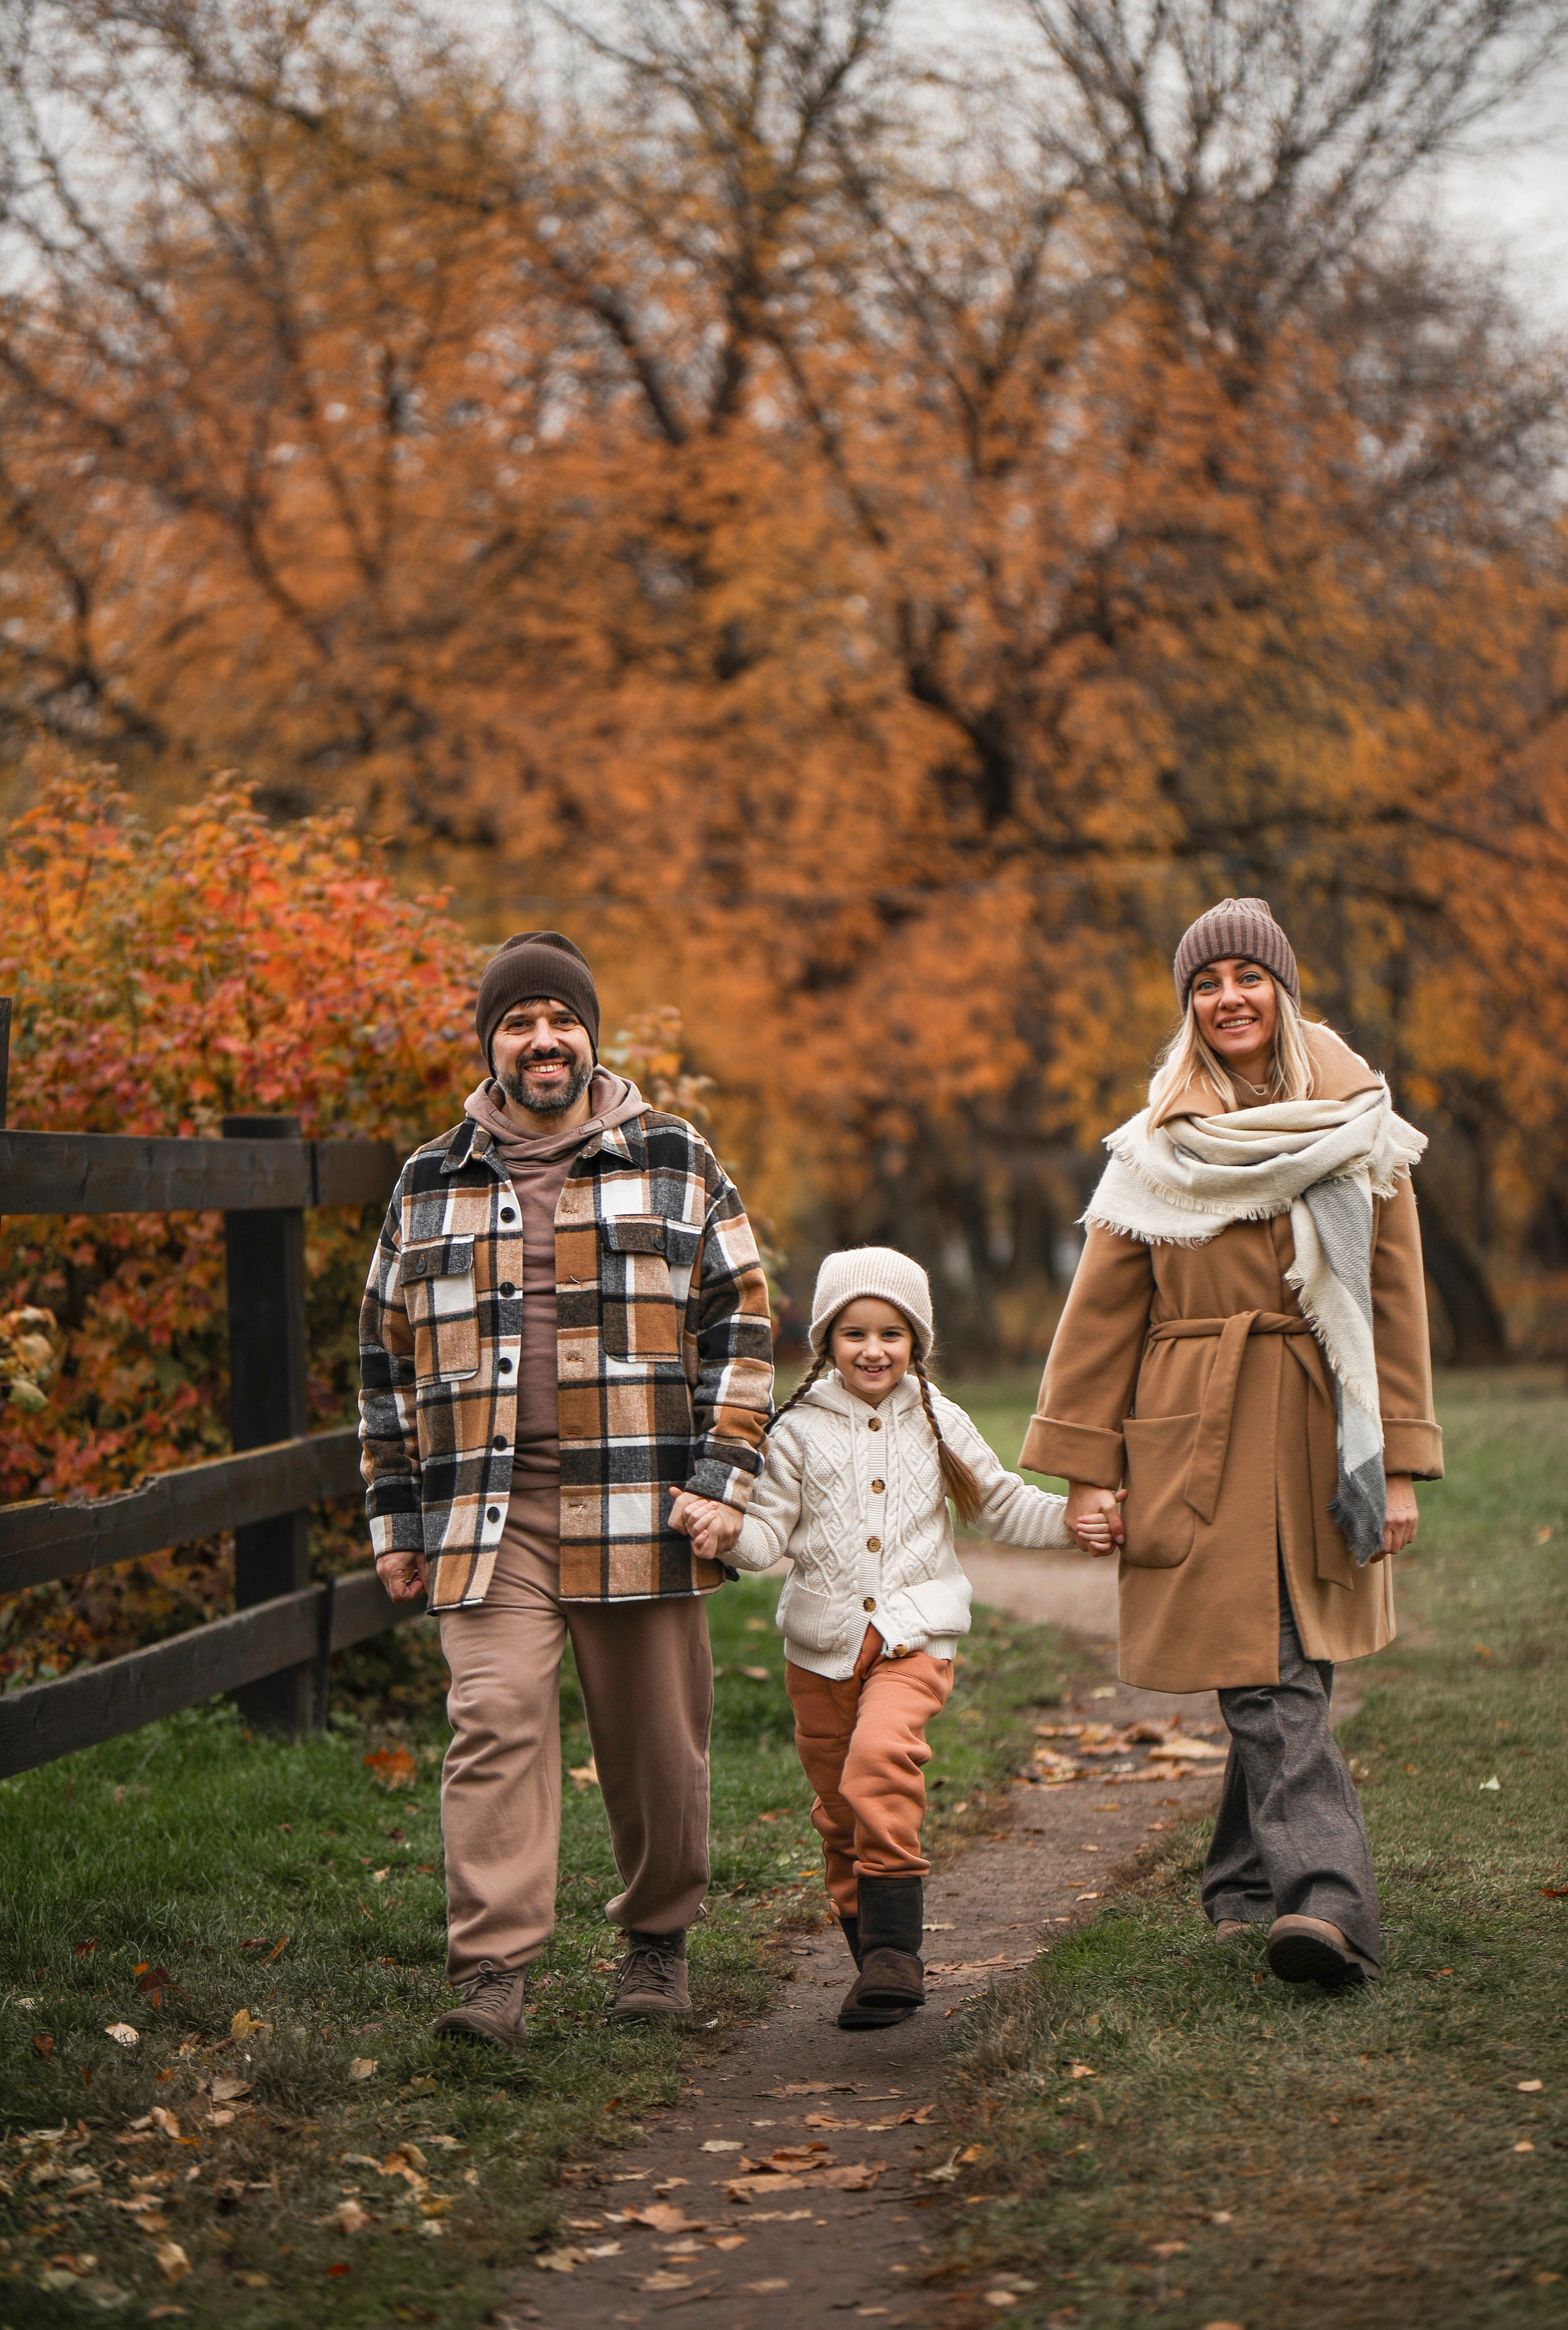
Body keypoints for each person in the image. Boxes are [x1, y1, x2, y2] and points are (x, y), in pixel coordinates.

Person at [360, 931, 773, 2052]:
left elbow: (741, 1326)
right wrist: (398, 1521)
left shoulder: (676, 1158)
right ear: (491, 1045)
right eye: (519, 1022)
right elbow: (384, 1366)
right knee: (491, 1723)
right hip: (489, 1515)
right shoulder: (427, 1179)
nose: (544, 1039)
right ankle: (492, 1967)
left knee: (654, 1740)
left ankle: (656, 1939)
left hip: (640, 1503)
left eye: (562, 1019)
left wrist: (723, 1478)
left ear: (592, 1033)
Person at [1021, 898, 1442, 1989]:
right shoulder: (1156, 1145)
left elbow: (1392, 1302)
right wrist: (1086, 1469)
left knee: (1294, 1655)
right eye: (1207, 985)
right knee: (1267, 1669)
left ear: (1283, 991)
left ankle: (1242, 1882)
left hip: (1321, 1421)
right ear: (1189, 1008)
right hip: (1194, 1425)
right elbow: (1100, 1315)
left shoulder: (1358, 1126)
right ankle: (1329, 1904)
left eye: (1248, 978)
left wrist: (1396, 1460)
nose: (1229, 999)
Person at [696, 1247, 1071, 2030]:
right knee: (838, 1814)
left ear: (915, 1342)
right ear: (827, 1339)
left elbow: (999, 1503)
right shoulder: (795, 1430)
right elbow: (767, 1539)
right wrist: (726, 1532)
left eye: (892, 1333)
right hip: (819, 1652)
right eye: (855, 1332)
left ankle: (900, 1953)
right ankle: (878, 1966)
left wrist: (1075, 1520)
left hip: (913, 1638)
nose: (874, 1349)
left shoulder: (938, 1416)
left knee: (879, 1761)